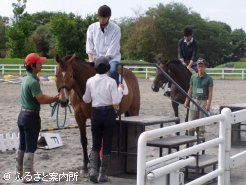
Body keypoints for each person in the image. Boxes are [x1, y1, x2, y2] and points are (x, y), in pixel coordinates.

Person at [16, 53, 59, 182]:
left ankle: (20, 172)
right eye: (39, 63)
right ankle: (28, 176)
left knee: (22, 145)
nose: (41, 64)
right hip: (31, 116)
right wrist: (54, 98)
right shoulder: (33, 81)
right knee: (31, 146)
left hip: (22, 115)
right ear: (33, 66)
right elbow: (40, 99)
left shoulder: (26, 79)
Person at [82, 56, 124, 183]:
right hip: (108, 113)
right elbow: (116, 101)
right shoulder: (111, 81)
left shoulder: (89, 81)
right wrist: (120, 90)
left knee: (95, 144)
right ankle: (102, 174)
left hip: (96, 113)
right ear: (107, 68)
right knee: (106, 145)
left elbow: (86, 99)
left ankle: (93, 170)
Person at [86, 5, 121, 85]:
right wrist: (91, 60)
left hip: (111, 59)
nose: (102, 20)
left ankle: (116, 92)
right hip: (95, 59)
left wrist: (101, 63)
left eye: (104, 18)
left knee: (112, 71)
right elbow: (89, 46)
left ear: (109, 17)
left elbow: (112, 50)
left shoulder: (116, 29)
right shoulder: (91, 28)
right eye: (100, 17)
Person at [164, 27, 198, 97]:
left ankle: (196, 89)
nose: (186, 38)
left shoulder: (195, 43)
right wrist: (182, 62)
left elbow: (194, 55)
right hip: (182, 61)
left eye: (187, 36)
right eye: (185, 36)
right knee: (173, 70)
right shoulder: (181, 41)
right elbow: (179, 53)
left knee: (196, 73)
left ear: (191, 36)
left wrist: (189, 65)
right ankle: (169, 89)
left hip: (192, 62)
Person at [184, 58, 213, 137]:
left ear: (205, 67)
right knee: (191, 123)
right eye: (199, 66)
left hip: (203, 101)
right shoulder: (193, 77)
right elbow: (190, 89)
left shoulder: (209, 79)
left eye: (202, 66)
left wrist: (208, 104)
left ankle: (201, 143)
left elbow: (210, 93)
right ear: (197, 67)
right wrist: (187, 100)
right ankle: (190, 143)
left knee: (201, 125)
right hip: (193, 100)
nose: (200, 68)